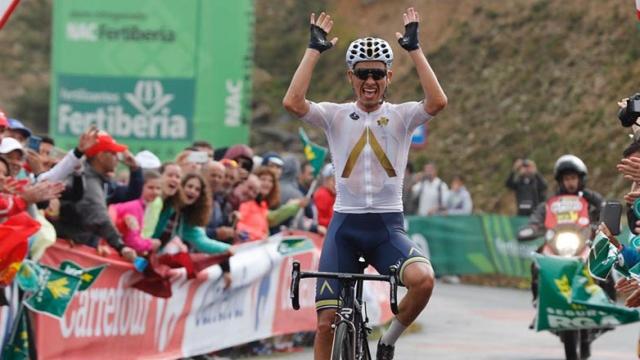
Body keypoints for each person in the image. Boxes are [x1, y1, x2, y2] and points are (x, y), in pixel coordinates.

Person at [282, 7, 446, 359]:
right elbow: (293, 103)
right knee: (326, 323)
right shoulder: (335, 116)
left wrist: (414, 49)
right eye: (362, 73)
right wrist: (313, 50)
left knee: (424, 281)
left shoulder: (401, 116)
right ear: (350, 77)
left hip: (387, 229)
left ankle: (387, 341)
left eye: (377, 73)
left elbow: (437, 101)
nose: (369, 81)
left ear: (388, 77)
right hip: (344, 229)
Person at [52, 132, 137, 261]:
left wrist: (136, 170)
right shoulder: (88, 180)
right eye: (113, 153)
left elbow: (131, 194)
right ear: (101, 156)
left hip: (79, 245)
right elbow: (99, 218)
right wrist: (121, 246)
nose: (118, 158)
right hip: (66, 247)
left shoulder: (100, 179)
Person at [109, 170, 163, 255]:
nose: (155, 192)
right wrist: (150, 244)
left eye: (158, 188)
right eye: (150, 187)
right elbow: (131, 241)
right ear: (141, 187)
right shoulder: (134, 206)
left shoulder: (143, 206)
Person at [313, 163, 336, 228]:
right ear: (325, 180)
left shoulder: (332, 194)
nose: (336, 184)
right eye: (333, 180)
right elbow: (319, 220)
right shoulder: (323, 195)